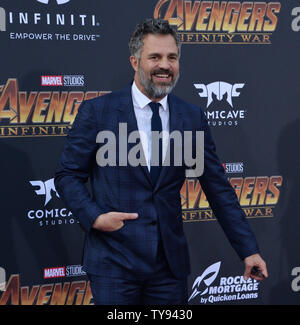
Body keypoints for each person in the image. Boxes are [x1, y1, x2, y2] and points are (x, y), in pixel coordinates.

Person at [54, 18, 268, 305]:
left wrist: (248, 249)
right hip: (114, 263)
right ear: (134, 61)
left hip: (169, 267)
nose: (164, 65)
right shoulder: (98, 112)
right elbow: (68, 175)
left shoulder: (192, 117)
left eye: (172, 57)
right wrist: (94, 217)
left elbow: (218, 190)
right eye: (154, 57)